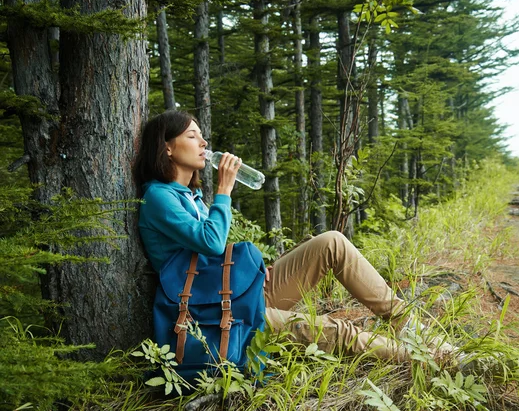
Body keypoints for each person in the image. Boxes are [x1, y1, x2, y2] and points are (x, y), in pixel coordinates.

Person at [135, 110, 455, 364]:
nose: (204, 143)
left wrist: (253, 272)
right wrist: (224, 190)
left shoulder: (188, 196)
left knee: (332, 243)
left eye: (203, 136)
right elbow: (211, 242)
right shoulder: (159, 197)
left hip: (233, 295)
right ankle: (432, 359)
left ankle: (411, 328)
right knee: (334, 330)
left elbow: (209, 257)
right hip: (214, 317)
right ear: (167, 146)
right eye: (193, 136)